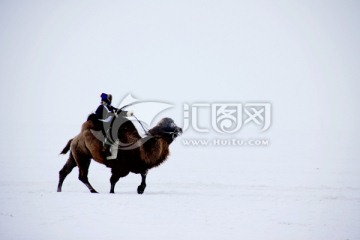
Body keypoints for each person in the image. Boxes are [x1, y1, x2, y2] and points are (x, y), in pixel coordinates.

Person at [95, 93, 119, 159]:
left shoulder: (109, 107)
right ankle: (106, 148)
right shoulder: (101, 107)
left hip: (108, 125)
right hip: (101, 125)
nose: (110, 101)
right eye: (109, 100)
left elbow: (118, 110)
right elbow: (98, 117)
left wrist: (127, 113)